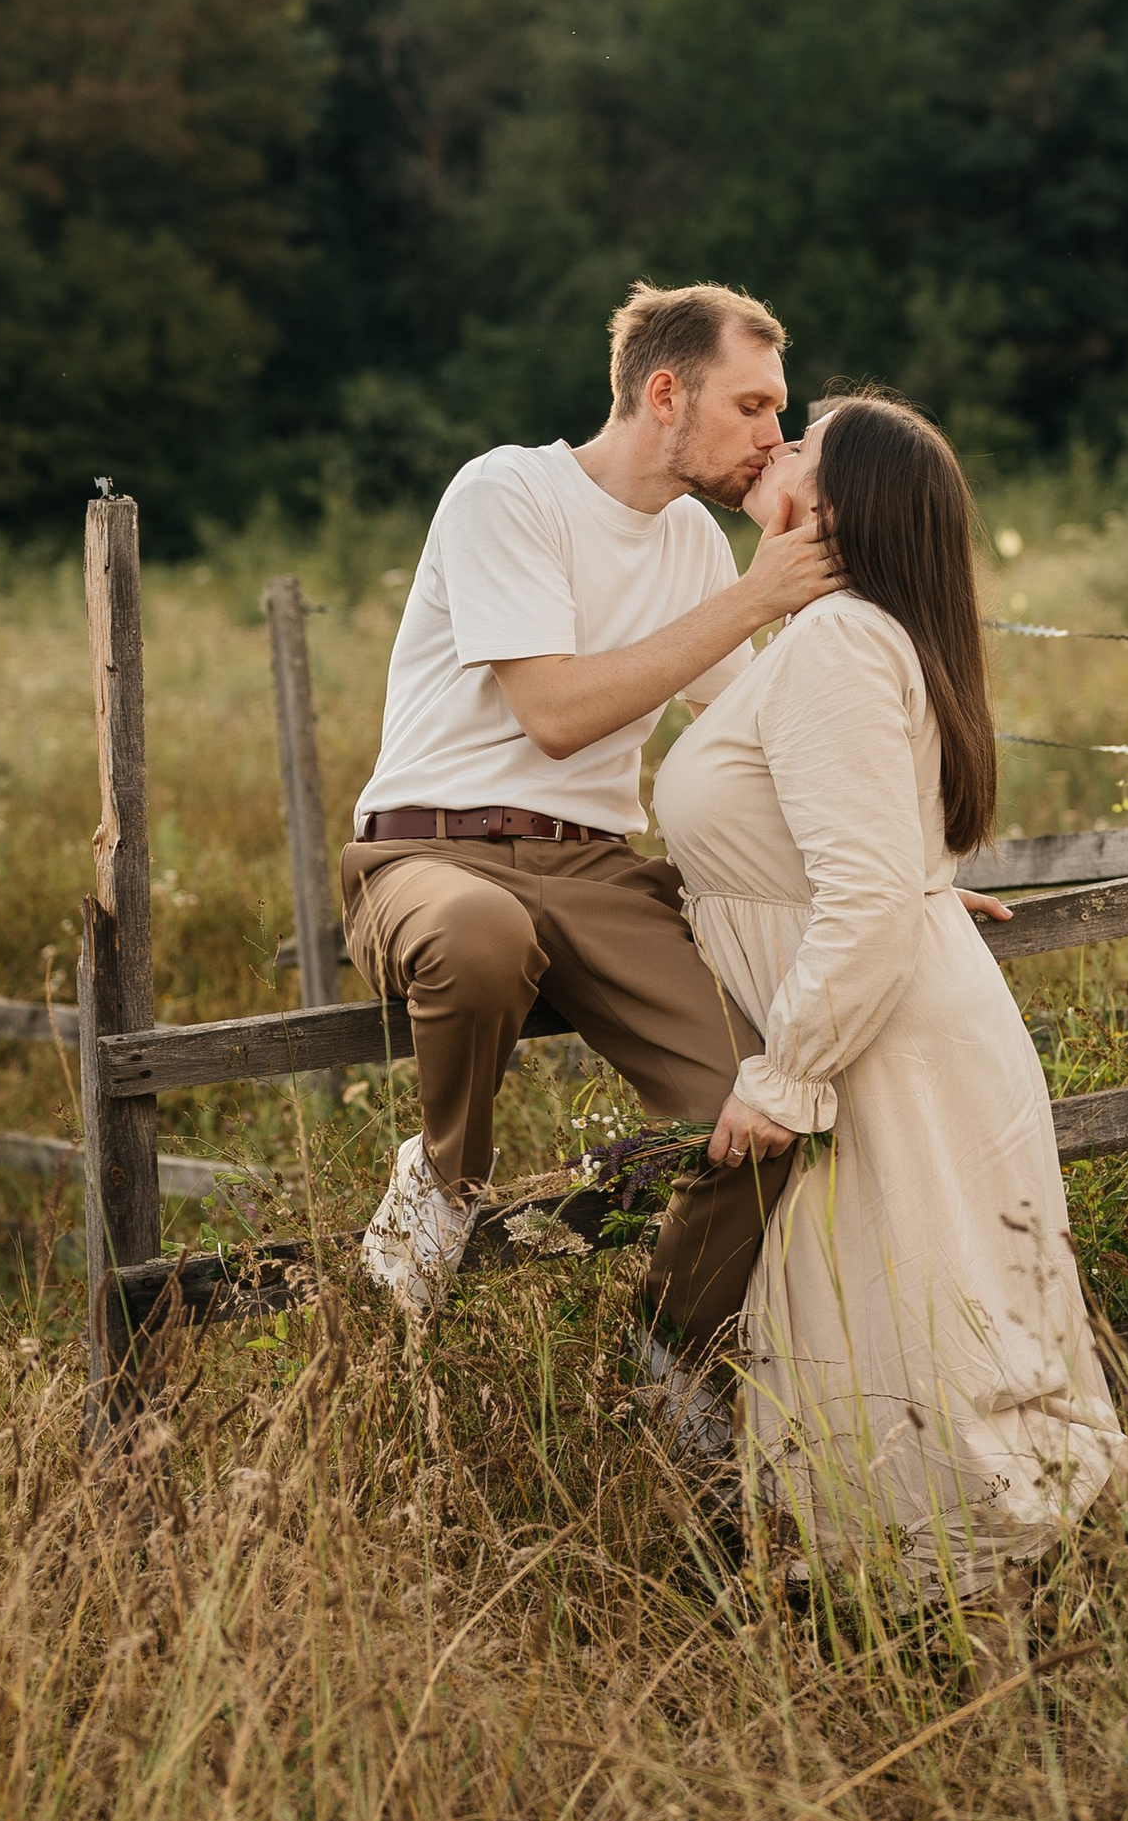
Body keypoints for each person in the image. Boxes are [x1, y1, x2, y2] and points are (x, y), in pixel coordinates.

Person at [653, 387, 1128, 1595]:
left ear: (839, 499)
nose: (775, 445)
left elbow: (865, 890)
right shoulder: (834, 636)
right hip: (889, 1023)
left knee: (933, 1358)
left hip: (867, 1048)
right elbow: (867, 857)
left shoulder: (839, 643)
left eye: (800, 441)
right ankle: (1118, 1540)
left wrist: (788, 1068)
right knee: (935, 1343)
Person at [347, 279, 833, 1363]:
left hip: (596, 873)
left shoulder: (697, 553)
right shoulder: (506, 490)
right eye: (752, 406)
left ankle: (667, 1362)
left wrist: (908, 870)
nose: (776, 434)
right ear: (665, 392)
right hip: (426, 851)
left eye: (778, 410)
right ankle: (441, 1176)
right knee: (481, 933)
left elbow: (764, 737)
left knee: (754, 1114)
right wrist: (759, 597)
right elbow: (555, 714)